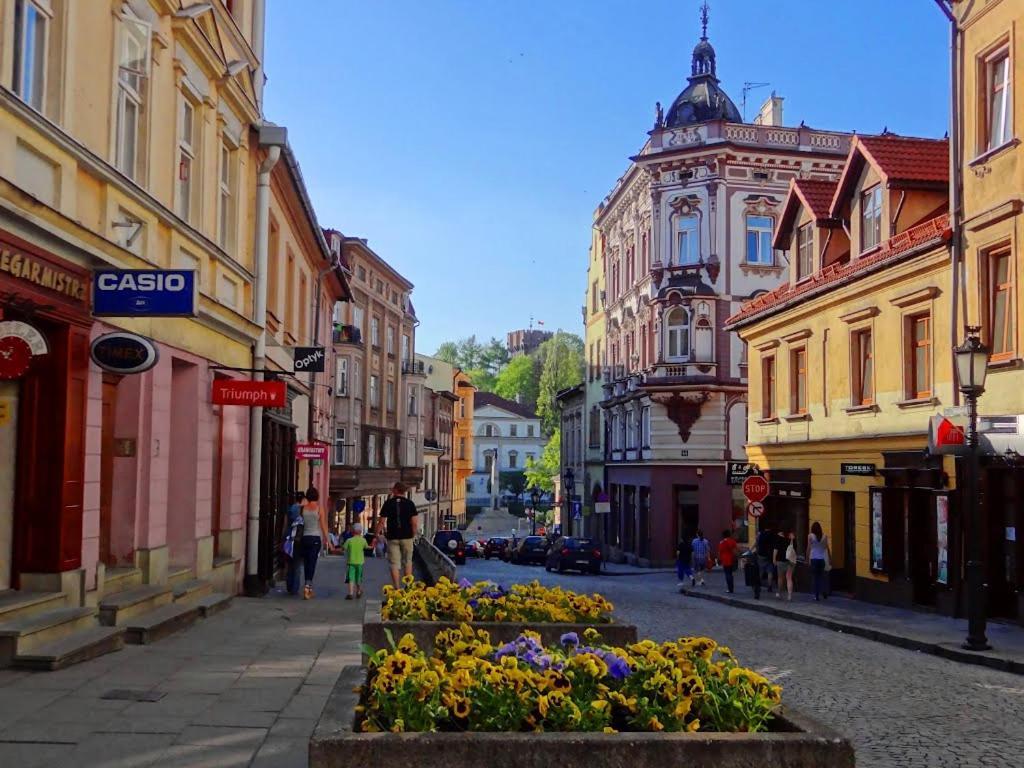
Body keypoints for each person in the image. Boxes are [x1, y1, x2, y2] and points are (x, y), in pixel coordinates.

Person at [378, 482, 418, 588]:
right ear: (404, 491)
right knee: (408, 562)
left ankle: (396, 588)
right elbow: (414, 522)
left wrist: (377, 534)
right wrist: (413, 534)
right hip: (407, 536)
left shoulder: (388, 503)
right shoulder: (410, 504)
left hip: (393, 537)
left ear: (396, 490)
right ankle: (408, 587)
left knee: (394, 564)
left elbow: (381, 522)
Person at [301, 488, 331, 599]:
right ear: (317, 496)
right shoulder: (319, 509)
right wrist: (329, 542)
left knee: (306, 563)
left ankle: (308, 587)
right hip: (315, 539)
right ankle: (307, 588)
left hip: (304, 538)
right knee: (312, 563)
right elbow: (323, 526)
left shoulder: (302, 509)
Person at [282, 491, 306, 595]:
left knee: (289, 564)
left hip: (289, 539)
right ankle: (294, 588)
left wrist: (283, 539)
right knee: (297, 566)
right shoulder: (303, 510)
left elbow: (285, 524)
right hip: (299, 540)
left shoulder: (290, 509)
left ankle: (289, 585)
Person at [807, 521, 832, 601]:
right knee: (821, 577)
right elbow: (827, 548)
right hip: (822, 560)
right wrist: (830, 559)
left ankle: (816, 595)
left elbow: (808, 548)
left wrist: (807, 558)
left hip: (814, 559)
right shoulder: (824, 536)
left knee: (815, 578)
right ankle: (824, 591)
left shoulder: (810, 536)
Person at [343, 523, 366, 600]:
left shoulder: (349, 540)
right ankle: (359, 591)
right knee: (358, 578)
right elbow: (367, 547)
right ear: (361, 531)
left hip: (351, 562)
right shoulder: (363, 540)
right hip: (360, 563)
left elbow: (344, 548)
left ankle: (350, 593)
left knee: (351, 578)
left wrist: (334, 549)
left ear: (352, 531)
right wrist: (373, 545)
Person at [776, 530, 798, 601]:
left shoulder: (780, 540)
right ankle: (789, 596)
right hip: (790, 562)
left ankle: (779, 593)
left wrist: (774, 559)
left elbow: (776, 550)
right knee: (789, 578)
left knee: (780, 578)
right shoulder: (793, 542)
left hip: (781, 561)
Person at [756, 524, 777, 594]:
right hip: (769, 556)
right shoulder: (773, 535)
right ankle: (769, 586)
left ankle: (758, 585)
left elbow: (757, 543)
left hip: (761, 555)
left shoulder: (761, 534)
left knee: (760, 570)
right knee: (770, 571)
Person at [718, 530, 739, 594]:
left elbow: (720, 552)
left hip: (725, 560)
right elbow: (736, 550)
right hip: (732, 559)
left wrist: (719, 559)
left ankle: (730, 588)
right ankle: (731, 587)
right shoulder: (732, 541)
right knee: (730, 573)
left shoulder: (721, 542)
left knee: (727, 574)